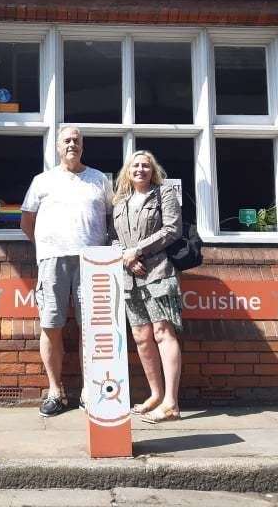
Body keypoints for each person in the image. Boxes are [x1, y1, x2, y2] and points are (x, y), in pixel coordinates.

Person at [20, 126, 113, 417]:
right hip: (53, 261)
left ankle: (90, 390)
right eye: (67, 141)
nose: (72, 144)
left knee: (93, 329)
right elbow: (27, 223)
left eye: (76, 140)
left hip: (93, 262)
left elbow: (112, 221)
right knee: (51, 326)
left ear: (83, 146)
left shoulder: (99, 179)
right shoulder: (41, 181)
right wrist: (49, 245)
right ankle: (55, 391)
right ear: (58, 147)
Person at [110, 150, 184, 424]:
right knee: (141, 337)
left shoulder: (163, 194)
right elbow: (113, 237)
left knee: (163, 333)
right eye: (135, 166)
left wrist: (137, 251)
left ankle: (171, 404)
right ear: (127, 171)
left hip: (158, 273)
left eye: (146, 166)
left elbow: (172, 229)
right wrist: (126, 259)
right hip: (129, 277)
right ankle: (155, 394)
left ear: (153, 171)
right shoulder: (119, 201)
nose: (140, 169)